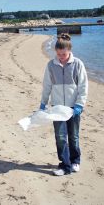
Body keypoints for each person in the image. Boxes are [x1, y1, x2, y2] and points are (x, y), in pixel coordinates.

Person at [40, 33, 88, 176]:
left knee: (73, 136)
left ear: (69, 51)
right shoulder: (51, 65)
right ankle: (64, 165)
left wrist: (80, 104)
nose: (61, 57)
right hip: (57, 108)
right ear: (55, 51)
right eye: (59, 54)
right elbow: (47, 86)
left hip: (73, 108)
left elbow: (83, 86)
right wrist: (43, 103)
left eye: (64, 54)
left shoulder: (77, 64)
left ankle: (75, 161)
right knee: (60, 137)